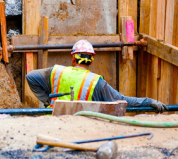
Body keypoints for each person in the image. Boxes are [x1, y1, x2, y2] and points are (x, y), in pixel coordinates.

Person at [26, 39, 168, 113]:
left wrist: (47, 100)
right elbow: (123, 101)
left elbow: (31, 76)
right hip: (81, 125)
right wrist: (149, 101)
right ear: (91, 61)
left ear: (73, 58)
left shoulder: (56, 71)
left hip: (52, 122)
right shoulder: (96, 82)